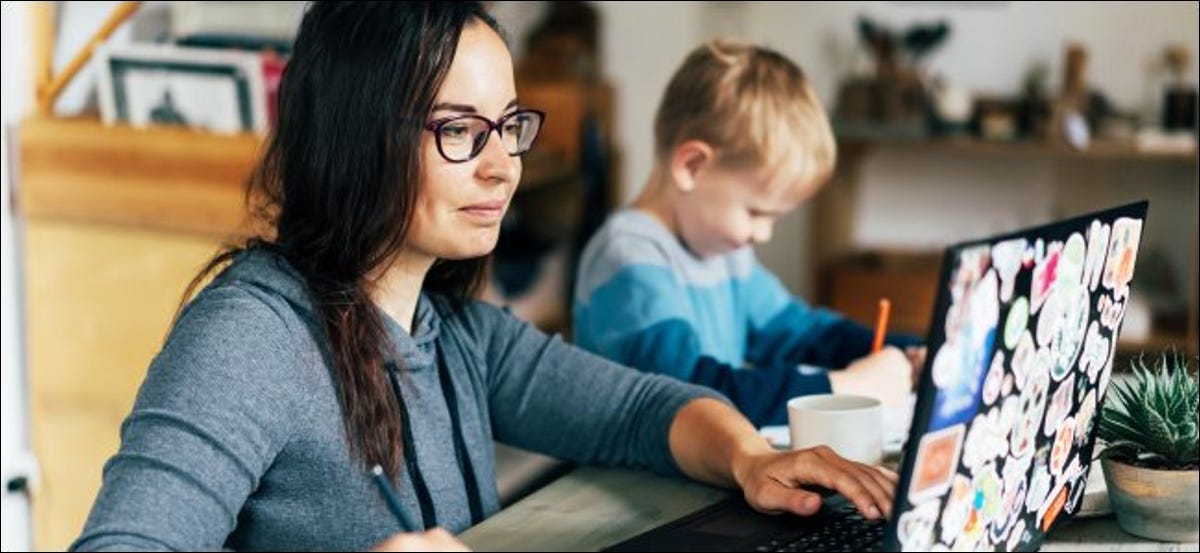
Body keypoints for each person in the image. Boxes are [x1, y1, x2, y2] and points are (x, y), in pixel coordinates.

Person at [72, 5, 898, 551]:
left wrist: (751, 459)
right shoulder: (251, 335)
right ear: (358, 137)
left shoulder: (453, 332)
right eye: (463, 130)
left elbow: (643, 407)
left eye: (509, 126)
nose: (505, 165)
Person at [573, 39, 925, 428]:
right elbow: (694, 395)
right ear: (692, 166)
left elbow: (800, 333)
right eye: (756, 212)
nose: (764, 234)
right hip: (627, 481)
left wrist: (906, 351)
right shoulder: (629, 260)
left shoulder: (723, 251)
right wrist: (841, 387)